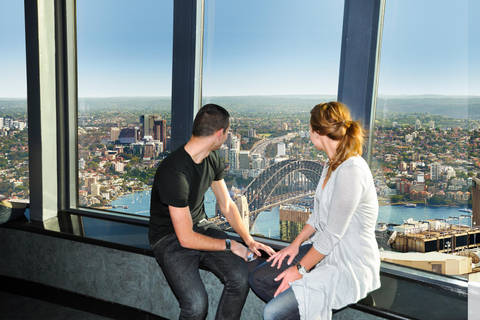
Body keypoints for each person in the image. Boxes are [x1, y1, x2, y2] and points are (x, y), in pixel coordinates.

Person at [249, 101, 381, 320]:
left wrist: (299, 270)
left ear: (318, 133)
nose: (308, 134)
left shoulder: (351, 171)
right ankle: (303, 305)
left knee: (272, 313)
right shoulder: (330, 165)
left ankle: (303, 303)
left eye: (310, 129)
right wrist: (295, 245)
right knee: (260, 278)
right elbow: (318, 215)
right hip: (324, 250)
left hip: (347, 261)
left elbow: (331, 234)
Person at [149, 103, 275, 320]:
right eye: (228, 131)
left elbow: (227, 205)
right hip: (169, 239)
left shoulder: (212, 158)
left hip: (200, 227)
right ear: (219, 134)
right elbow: (186, 238)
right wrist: (230, 244)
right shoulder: (174, 171)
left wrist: (249, 240)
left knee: (239, 277)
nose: (227, 135)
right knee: (196, 305)